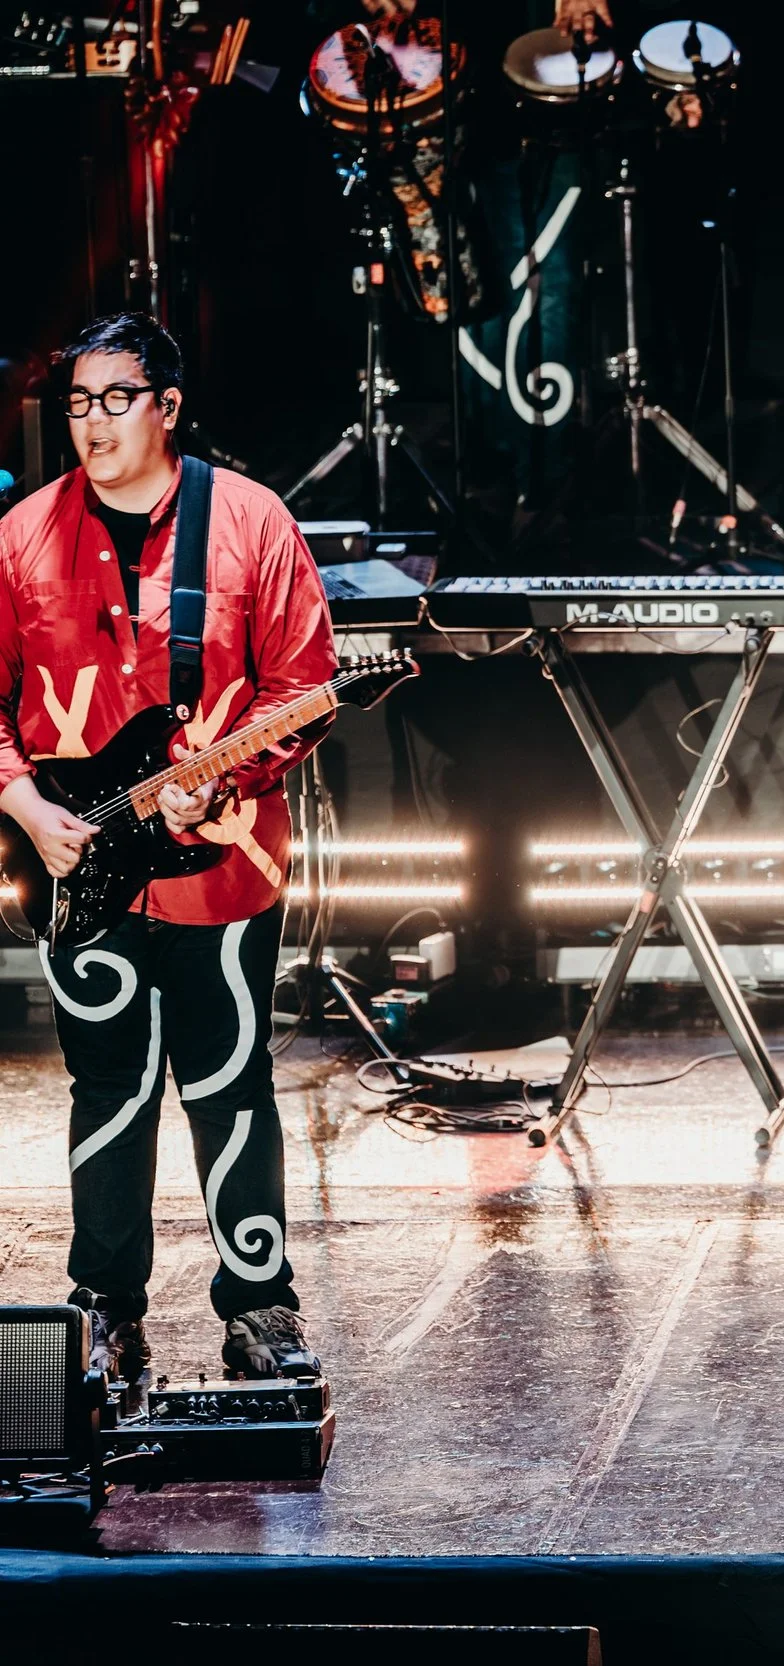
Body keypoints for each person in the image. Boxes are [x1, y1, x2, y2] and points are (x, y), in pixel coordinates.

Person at [0, 313, 338, 1381]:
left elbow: (305, 687)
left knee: (230, 1080)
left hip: (223, 866)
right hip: (76, 866)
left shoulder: (250, 521)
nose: (92, 425)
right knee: (107, 1087)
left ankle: (260, 1307)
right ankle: (105, 1306)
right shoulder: (20, 536)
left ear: (169, 407)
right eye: (77, 404)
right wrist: (24, 805)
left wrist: (225, 781)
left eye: (115, 399)